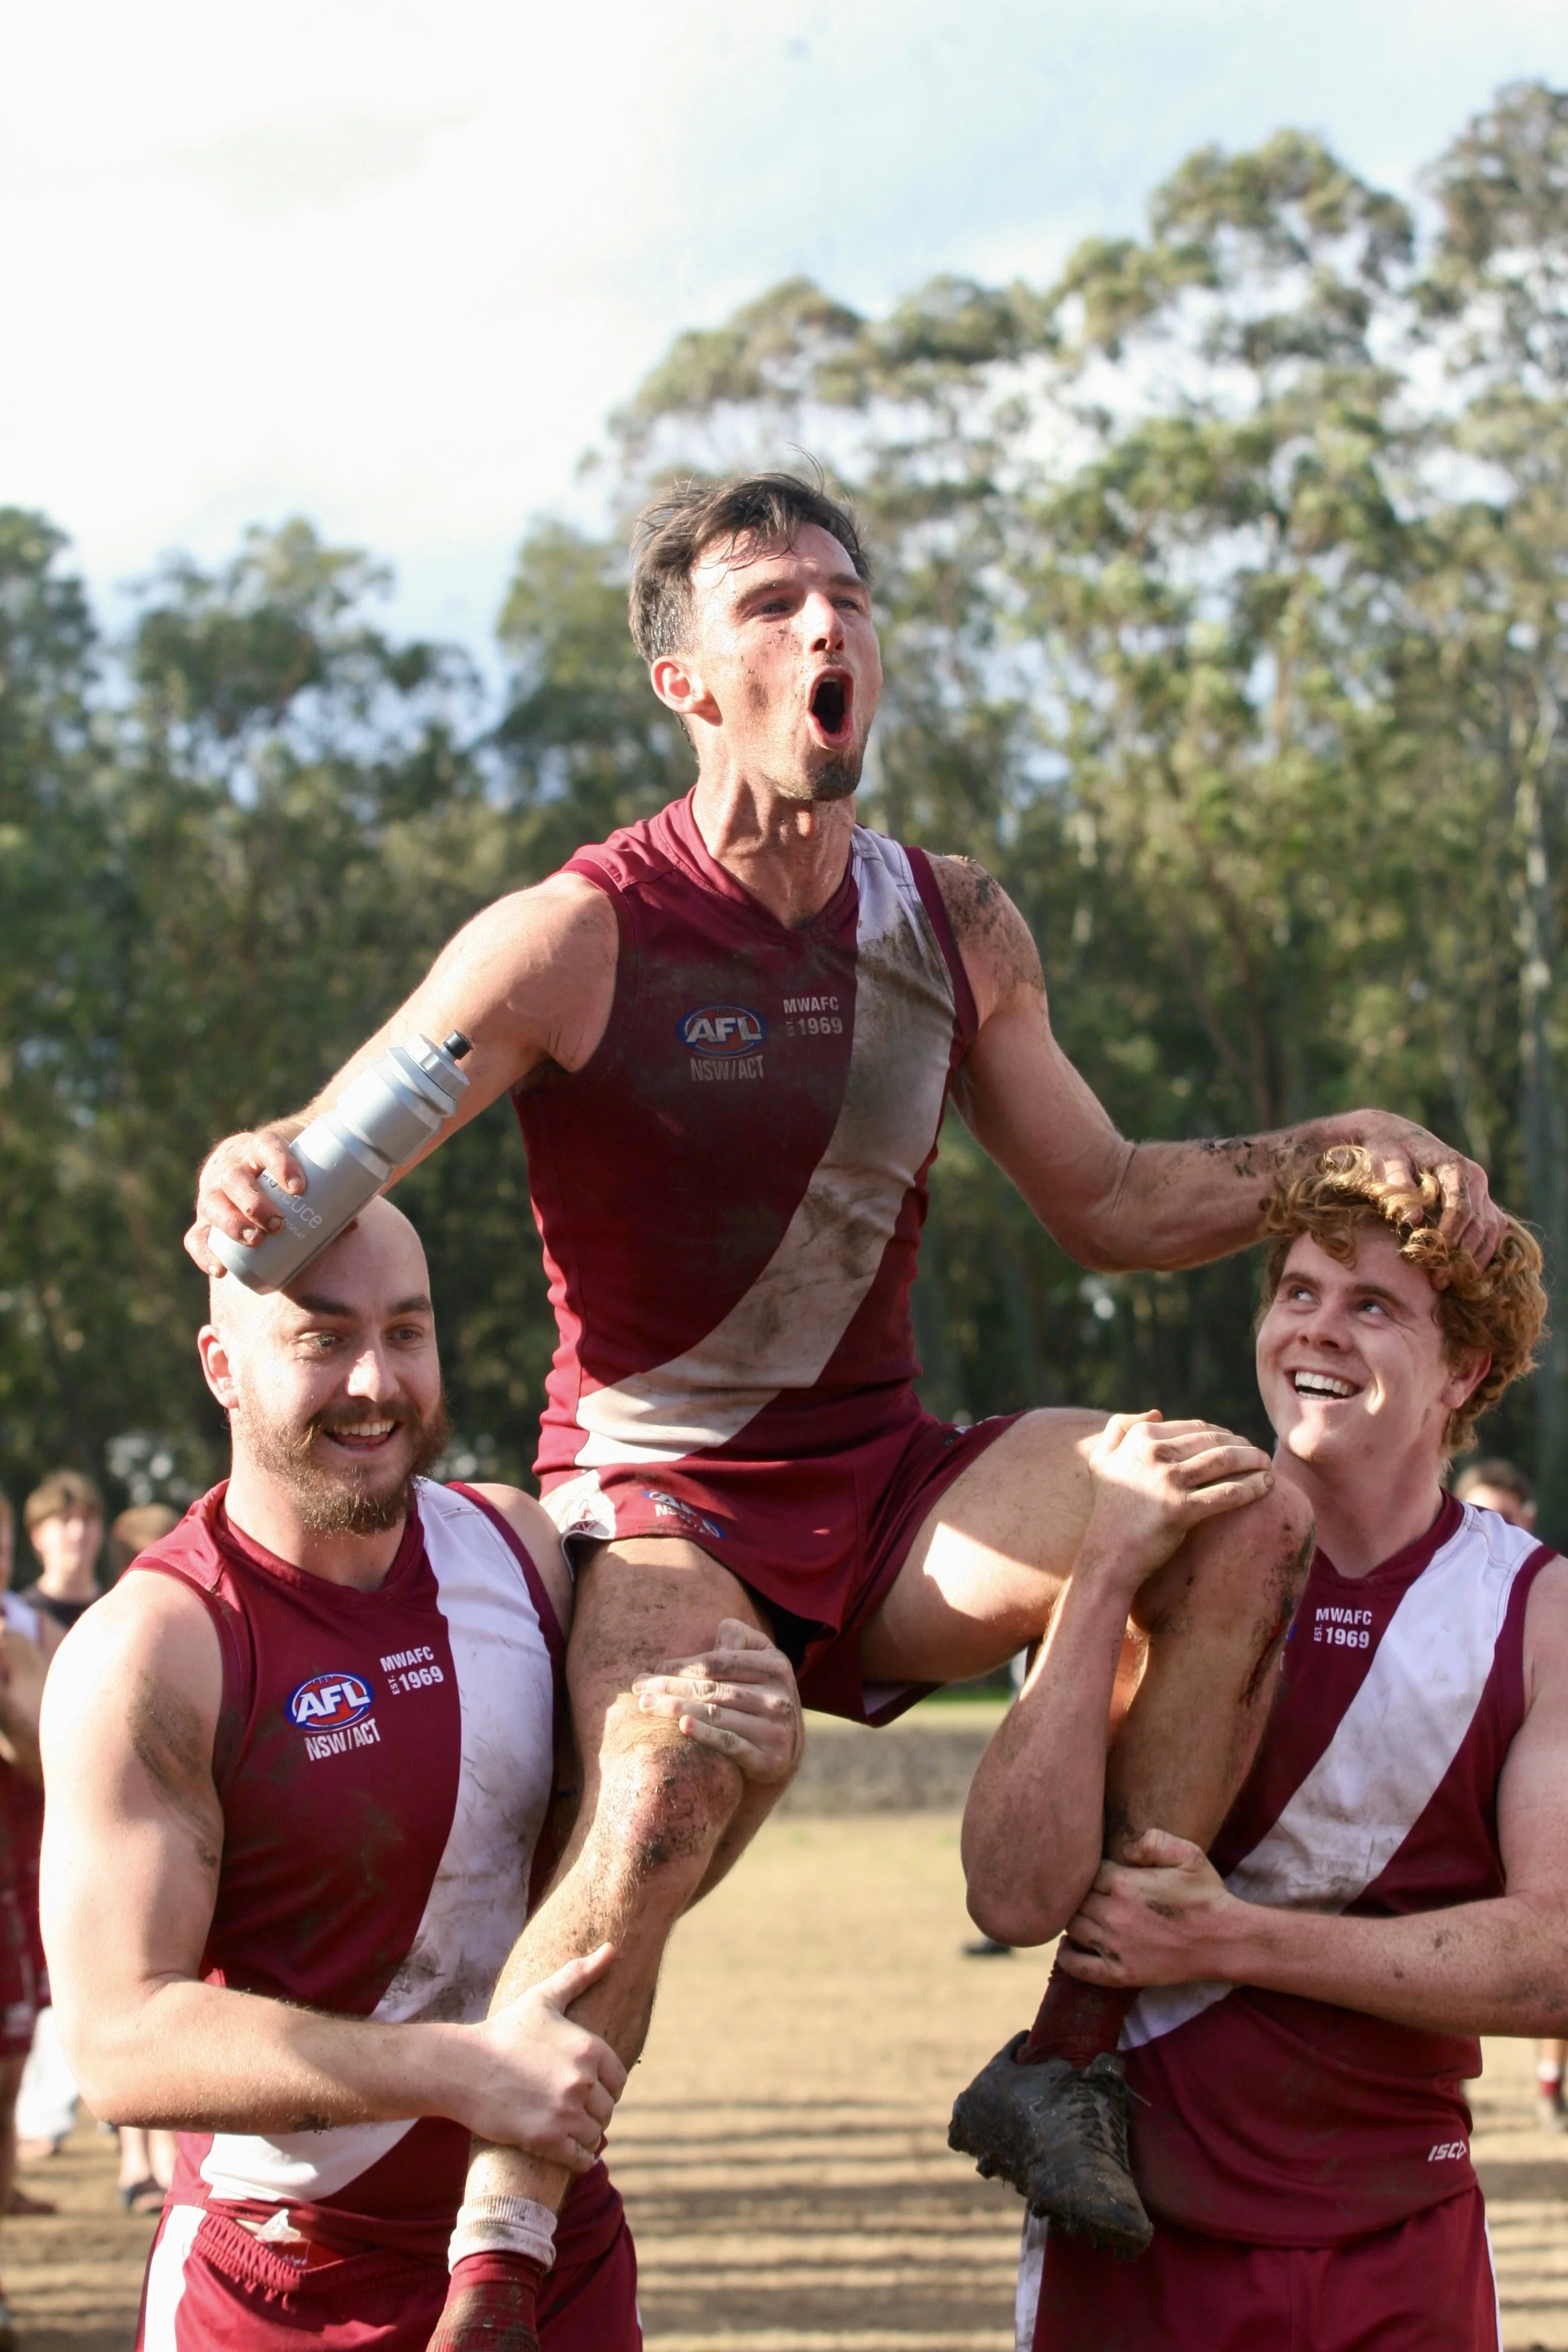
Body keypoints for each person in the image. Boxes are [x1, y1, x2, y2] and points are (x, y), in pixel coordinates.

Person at [183, 470, 1504, 2302]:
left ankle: (1065, 2061)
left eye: (850, 603)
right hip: (656, 1498)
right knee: (677, 1756)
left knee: (1240, 1507)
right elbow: (316, 1174)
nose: (828, 632)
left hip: (893, 1489)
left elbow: (1111, 1202)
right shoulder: (572, 937)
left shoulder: (954, 923)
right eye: (774, 606)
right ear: (687, 683)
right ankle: (501, 2269)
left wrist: (1332, 1151)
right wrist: (247, 1169)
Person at [40, 1198, 798, 2352]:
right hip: (278, 2281)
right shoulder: (155, 1646)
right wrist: (457, 2070)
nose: (376, 1381)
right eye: (322, 1336)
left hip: (547, 2246)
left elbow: (594, 1899)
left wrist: (742, 1784)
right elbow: (118, 2040)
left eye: (406, 1330)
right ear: (222, 1364)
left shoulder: (523, 1552)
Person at [962, 1147, 1556, 2351]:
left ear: (1465, 1368)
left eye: (1372, 1304)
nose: (1316, 1331)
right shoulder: (1156, 1542)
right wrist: (1106, 1572)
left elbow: (1553, 1960)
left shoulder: (1536, 1609)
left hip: (1403, 2226)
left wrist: (1234, 1935)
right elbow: (1010, 1891)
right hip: (1132, 2220)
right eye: (1296, 1291)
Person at [1451, 1458, 1559, 2134]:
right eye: (1477, 1514)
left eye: (1504, 1517)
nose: (1490, 1531)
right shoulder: (1409, 1603)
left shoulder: (1546, 1601)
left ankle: (1548, 2088)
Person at [20, 1472, 105, 1632]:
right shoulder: (21, 1617)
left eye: (87, 1519)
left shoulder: (118, 1608)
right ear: (37, 1536)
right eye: (65, 1520)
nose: (78, 1533)